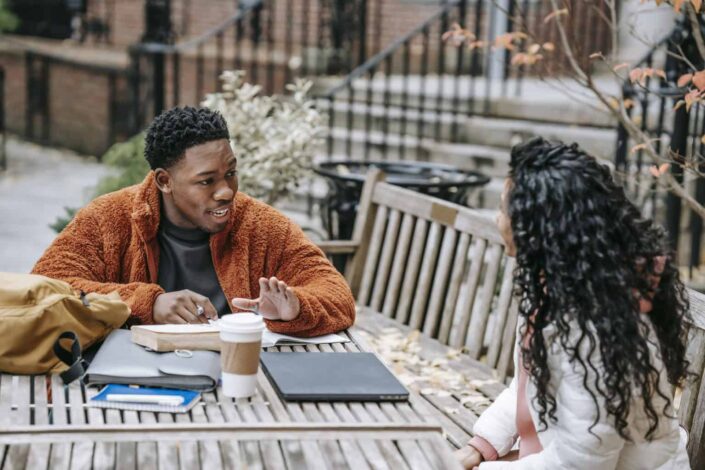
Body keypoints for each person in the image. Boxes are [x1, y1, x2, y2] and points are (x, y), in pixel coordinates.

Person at [455, 137, 691, 469]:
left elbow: (581, 462)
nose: (498, 218)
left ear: (539, 227)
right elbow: (528, 388)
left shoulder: (600, 326)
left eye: (504, 207)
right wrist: (480, 447)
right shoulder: (557, 287)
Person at [32, 106, 355, 336]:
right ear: (164, 180)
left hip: (238, 377)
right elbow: (44, 287)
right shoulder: (109, 218)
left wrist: (296, 307)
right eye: (206, 181)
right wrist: (149, 303)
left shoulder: (262, 226)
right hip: (131, 377)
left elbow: (338, 297)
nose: (226, 192)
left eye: (231, 174)